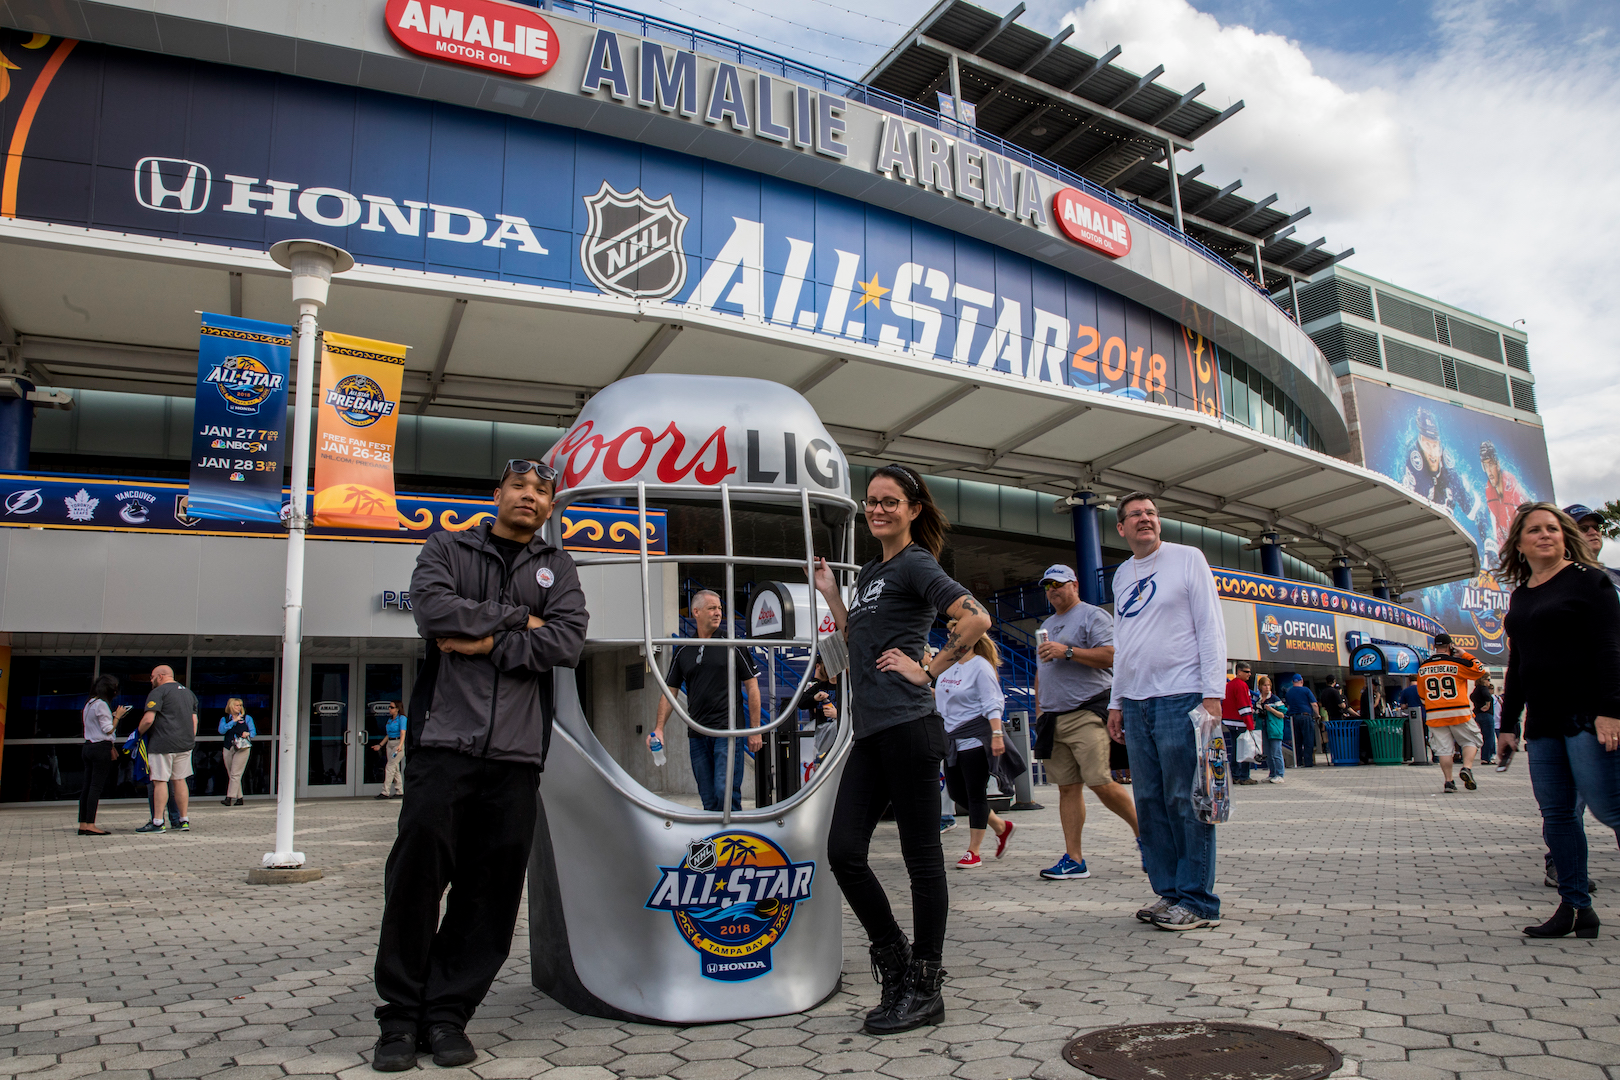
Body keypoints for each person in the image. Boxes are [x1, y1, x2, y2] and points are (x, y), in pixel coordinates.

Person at [372, 458, 588, 1072]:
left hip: (517, 760)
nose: (530, 496)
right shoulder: (446, 547)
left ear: (551, 507)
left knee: (488, 895)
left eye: (542, 492)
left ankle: (447, 1015)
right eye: (519, 486)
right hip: (443, 747)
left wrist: (486, 640)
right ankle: (398, 1017)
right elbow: (435, 613)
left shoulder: (558, 566)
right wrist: (522, 618)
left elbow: (567, 641)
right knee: (415, 883)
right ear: (497, 495)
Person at [812, 463, 990, 1035]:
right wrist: (834, 596)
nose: (878, 509)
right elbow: (853, 638)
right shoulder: (870, 573)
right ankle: (894, 963)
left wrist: (929, 668)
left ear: (913, 509)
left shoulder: (916, 563)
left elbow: (976, 617)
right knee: (843, 851)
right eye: (872, 501)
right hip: (868, 733)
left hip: (910, 729)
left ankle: (925, 986)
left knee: (920, 861)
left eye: (890, 501)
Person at [1496, 503, 1620, 939]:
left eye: (1553, 528)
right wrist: (1507, 725)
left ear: (1564, 536)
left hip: (1588, 718)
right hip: (1543, 724)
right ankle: (1575, 907)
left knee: (1611, 807)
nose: (1545, 535)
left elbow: (1610, 649)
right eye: (1534, 530)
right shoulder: (1522, 594)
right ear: (1520, 542)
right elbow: (1519, 664)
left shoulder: (1591, 582)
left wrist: (1611, 711)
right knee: (1558, 816)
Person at [1104, 492, 1227, 932]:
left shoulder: (1187, 558)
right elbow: (1124, 642)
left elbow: (1211, 626)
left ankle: (1198, 899)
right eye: (1135, 515)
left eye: (1151, 513)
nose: (1145, 519)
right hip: (1136, 703)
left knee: (1187, 798)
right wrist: (1116, 702)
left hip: (1182, 695)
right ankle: (1169, 892)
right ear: (1121, 528)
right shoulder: (1121, 575)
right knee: (1151, 801)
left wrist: (1213, 694)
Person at [1031, 563, 1139, 881]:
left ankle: (1146, 836)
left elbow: (1111, 655)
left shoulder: (1093, 615)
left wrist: (1068, 651)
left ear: (1074, 585)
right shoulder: (1047, 623)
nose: (1052, 590)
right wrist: (1039, 709)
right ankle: (1074, 859)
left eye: (1058, 584)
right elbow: (1042, 669)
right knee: (1067, 788)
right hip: (1053, 717)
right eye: (1047, 585)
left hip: (1086, 711)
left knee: (1100, 781)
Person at [648, 589, 762, 812]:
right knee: (708, 799)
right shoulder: (682, 649)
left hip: (727, 733)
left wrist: (755, 729)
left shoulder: (732, 644)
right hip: (698, 735)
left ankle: (734, 841)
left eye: (719, 608)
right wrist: (659, 728)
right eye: (712, 608)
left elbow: (752, 685)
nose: (718, 612)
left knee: (725, 793)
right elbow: (669, 691)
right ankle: (716, 844)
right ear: (696, 612)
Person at [936, 621, 1014, 868]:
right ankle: (1001, 827)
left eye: (955, 633)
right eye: (950, 633)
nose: (951, 637)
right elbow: (939, 696)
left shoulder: (980, 666)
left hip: (974, 737)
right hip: (951, 740)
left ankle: (974, 851)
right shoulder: (946, 665)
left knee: (975, 793)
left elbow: (992, 701)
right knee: (958, 794)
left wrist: (997, 734)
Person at [1415, 633, 1488, 793]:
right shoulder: (1457, 663)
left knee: (1444, 750)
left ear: (1435, 647)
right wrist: (1464, 654)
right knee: (1471, 740)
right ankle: (1467, 768)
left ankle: (1448, 781)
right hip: (1459, 711)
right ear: (1450, 646)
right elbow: (1480, 669)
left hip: (1435, 714)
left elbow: (1422, 695)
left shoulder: (1423, 668)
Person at [135, 666, 198, 834]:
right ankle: (183, 820)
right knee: (180, 780)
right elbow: (194, 721)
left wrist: (137, 734)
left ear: (161, 676)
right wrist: (190, 740)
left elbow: (148, 719)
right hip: (185, 744)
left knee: (160, 781)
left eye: (152, 676)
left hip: (162, 744)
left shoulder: (158, 692)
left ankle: (158, 822)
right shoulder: (189, 693)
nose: (151, 680)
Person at [1400, 407, 1475, 518]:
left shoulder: (1448, 465)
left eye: (1434, 445)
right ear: (1420, 444)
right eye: (1427, 445)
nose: (1432, 452)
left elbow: (1475, 510)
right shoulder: (1414, 463)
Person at [78, 674, 128, 835]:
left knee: (87, 786)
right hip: (100, 749)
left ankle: (83, 823)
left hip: (88, 747)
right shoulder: (102, 705)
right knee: (95, 787)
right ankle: (91, 824)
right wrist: (118, 717)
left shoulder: (90, 703)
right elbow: (108, 729)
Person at [1480, 442, 1528, 548]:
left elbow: (1529, 517)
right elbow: (1497, 528)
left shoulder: (1511, 484)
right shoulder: (1488, 490)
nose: (1489, 471)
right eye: (1485, 465)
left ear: (1498, 464)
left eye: (1491, 464)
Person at [1563, 504, 1620, 588]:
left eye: (1596, 527)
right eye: (1583, 528)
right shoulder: (1562, 581)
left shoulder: (1616, 575)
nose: (1593, 532)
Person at [1222, 662, 1257, 785]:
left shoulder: (1229, 685)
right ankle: (1244, 776)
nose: (1249, 674)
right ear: (1239, 672)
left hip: (1230, 722)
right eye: (1246, 672)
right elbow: (1244, 707)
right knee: (1245, 750)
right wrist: (1250, 725)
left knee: (1236, 750)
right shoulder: (1241, 686)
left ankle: (1235, 775)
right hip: (1240, 723)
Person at [218, 697, 256, 806]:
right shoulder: (225, 719)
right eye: (236, 705)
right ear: (230, 706)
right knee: (232, 774)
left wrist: (247, 733)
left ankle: (229, 798)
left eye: (240, 705)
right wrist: (232, 722)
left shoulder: (247, 718)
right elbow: (221, 730)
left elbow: (253, 732)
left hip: (242, 748)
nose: (239, 707)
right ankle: (240, 798)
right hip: (228, 747)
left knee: (235, 773)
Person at [370, 701, 406, 800]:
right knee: (395, 769)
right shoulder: (390, 720)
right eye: (389, 707)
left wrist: (400, 745)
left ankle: (385, 792)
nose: (390, 709)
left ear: (397, 709)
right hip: (389, 744)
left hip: (397, 743)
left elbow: (403, 733)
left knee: (390, 767)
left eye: (392, 707)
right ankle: (400, 791)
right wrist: (380, 745)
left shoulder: (402, 719)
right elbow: (388, 735)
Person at [1284, 675, 1320, 768]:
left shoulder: (1289, 692)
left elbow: (1288, 706)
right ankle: (1308, 762)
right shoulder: (1306, 690)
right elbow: (1314, 704)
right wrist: (1317, 715)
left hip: (1294, 718)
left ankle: (1298, 761)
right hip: (1306, 716)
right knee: (1308, 739)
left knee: (1297, 740)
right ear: (1302, 681)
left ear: (1293, 682)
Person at [1256, 675, 1286, 783]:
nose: (1267, 687)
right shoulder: (1259, 700)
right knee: (1268, 752)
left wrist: (1271, 710)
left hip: (1274, 728)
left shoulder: (1275, 699)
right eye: (1264, 685)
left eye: (1268, 685)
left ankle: (1280, 774)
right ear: (1260, 687)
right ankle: (1272, 773)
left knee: (1276, 752)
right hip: (1264, 727)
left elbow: (1282, 714)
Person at [1472, 676, 1497, 766]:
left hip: (1478, 714)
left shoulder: (1476, 690)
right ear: (1483, 679)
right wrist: (1487, 705)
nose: (1489, 682)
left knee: (1483, 736)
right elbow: (1488, 697)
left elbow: (1471, 697)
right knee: (1489, 737)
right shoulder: (1483, 688)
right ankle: (1487, 758)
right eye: (1488, 679)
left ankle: (1485, 756)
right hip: (1486, 715)